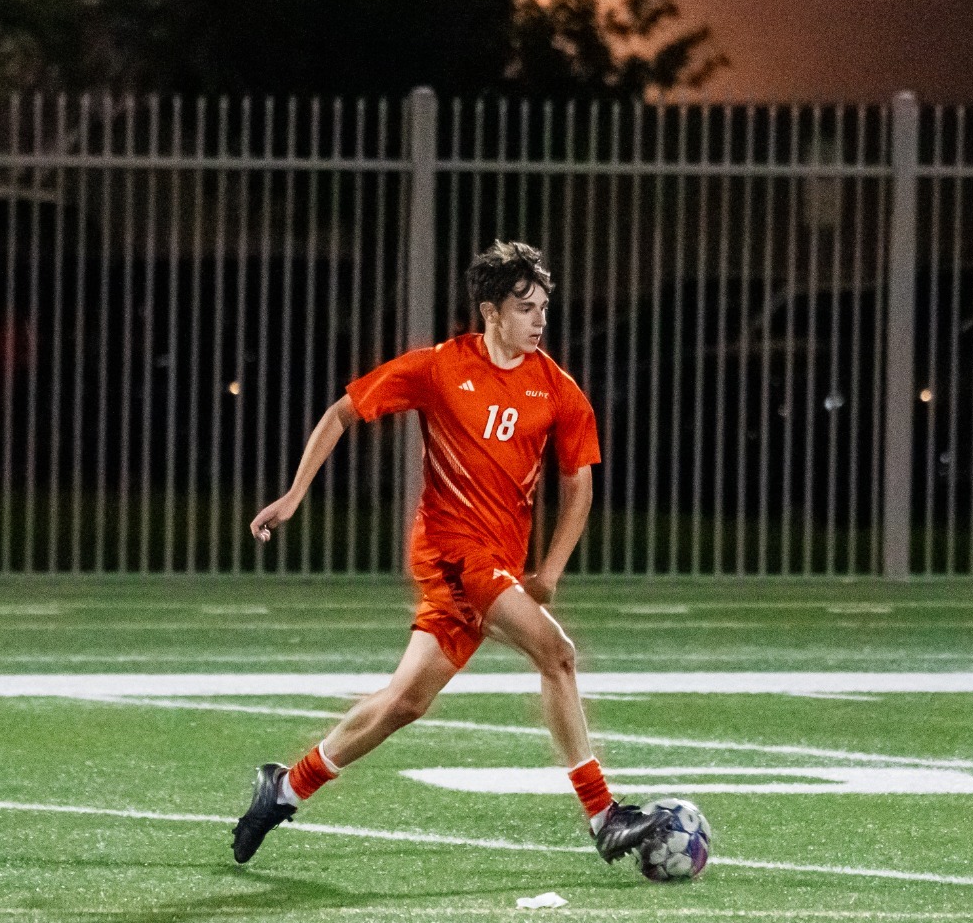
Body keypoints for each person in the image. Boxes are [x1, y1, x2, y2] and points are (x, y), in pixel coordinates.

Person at [232, 240, 661, 866]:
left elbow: (580, 484)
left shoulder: (557, 390)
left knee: (405, 703)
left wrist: (549, 572)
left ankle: (287, 786)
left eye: (543, 306)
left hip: (496, 566)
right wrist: (295, 494)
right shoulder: (439, 367)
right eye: (524, 307)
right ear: (490, 311)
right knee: (558, 655)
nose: (539, 319)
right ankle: (602, 814)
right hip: (453, 555)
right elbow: (343, 412)